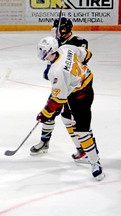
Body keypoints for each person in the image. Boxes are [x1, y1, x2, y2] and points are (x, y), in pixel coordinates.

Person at [34, 36, 105, 181]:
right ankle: (83, 149)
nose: (41, 52)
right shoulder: (66, 48)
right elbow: (87, 54)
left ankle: (95, 163)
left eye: (43, 50)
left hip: (81, 95)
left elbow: (58, 99)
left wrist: (44, 114)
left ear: (50, 51)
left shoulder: (56, 72)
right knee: (66, 117)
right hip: (85, 81)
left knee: (82, 130)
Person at [30, 17, 91, 164]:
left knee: (68, 118)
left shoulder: (78, 41)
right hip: (60, 85)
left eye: (61, 30)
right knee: (49, 112)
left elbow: (79, 61)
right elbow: (51, 66)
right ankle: (45, 142)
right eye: (56, 30)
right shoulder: (56, 43)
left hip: (73, 87)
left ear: (68, 30)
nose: (58, 32)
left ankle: (82, 148)